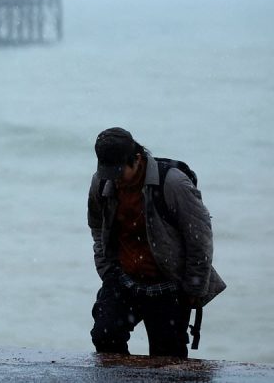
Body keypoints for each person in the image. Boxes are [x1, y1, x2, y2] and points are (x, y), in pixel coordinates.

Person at [87, 127, 225, 358]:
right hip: (124, 280)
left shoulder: (173, 184)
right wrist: (106, 269)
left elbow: (199, 240)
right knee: (105, 335)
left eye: (120, 172)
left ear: (137, 159)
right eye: (109, 172)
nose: (115, 179)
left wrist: (193, 288)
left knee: (168, 358)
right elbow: (97, 226)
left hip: (169, 286)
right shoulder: (102, 183)